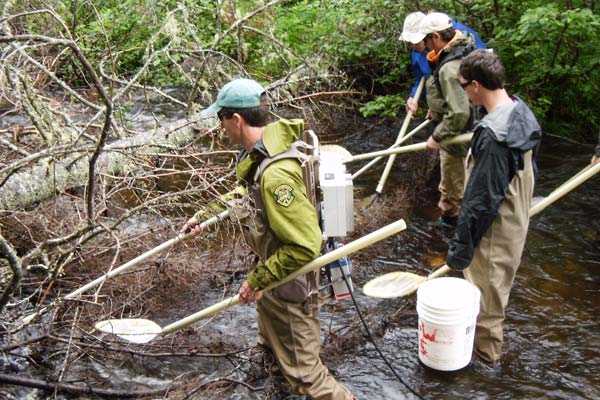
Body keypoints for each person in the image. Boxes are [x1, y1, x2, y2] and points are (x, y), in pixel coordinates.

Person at [180, 78, 355, 400]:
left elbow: (304, 244)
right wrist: (207, 215)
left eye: (221, 119)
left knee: (308, 378)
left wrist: (257, 280)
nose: (221, 129)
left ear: (236, 119)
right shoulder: (267, 149)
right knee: (272, 351)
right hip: (274, 276)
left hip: (289, 283)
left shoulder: (275, 174)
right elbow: (248, 192)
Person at [446, 50, 542, 364]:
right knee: (496, 295)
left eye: (463, 86)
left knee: (484, 306)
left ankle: (486, 369)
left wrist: (461, 249)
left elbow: (479, 202)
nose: (462, 92)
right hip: (516, 221)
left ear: (476, 86)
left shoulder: (492, 137)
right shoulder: (520, 110)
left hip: (495, 232)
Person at [418, 12, 477, 228]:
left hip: (455, 135)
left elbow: (460, 112)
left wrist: (437, 135)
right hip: (454, 130)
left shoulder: (450, 68)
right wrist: (434, 111)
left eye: (425, 40)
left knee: (452, 188)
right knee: (454, 181)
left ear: (435, 36)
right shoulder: (454, 51)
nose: (423, 45)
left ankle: (452, 229)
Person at [400, 12, 486, 114]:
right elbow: (423, 78)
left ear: (430, 36)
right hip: (446, 107)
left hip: (471, 103)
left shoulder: (460, 37)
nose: (412, 46)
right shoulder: (417, 52)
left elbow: (483, 68)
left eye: (415, 41)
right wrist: (413, 97)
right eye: (410, 42)